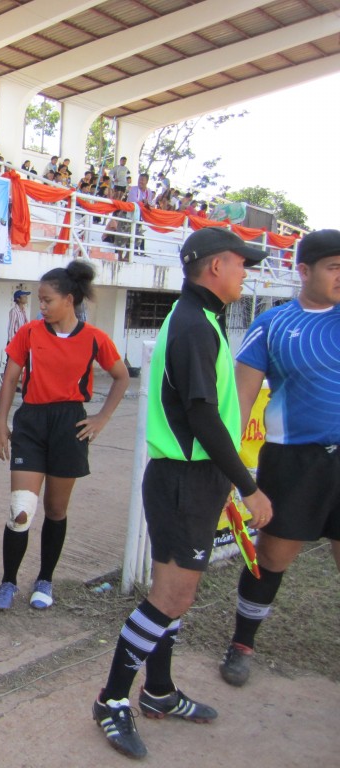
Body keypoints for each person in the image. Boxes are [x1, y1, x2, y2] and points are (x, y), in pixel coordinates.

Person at [93, 228, 273, 760]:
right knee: (171, 596)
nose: (245, 273)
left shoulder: (202, 317)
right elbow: (202, 416)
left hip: (194, 479)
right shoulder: (194, 324)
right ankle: (110, 700)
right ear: (215, 266)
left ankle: (159, 691)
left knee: (178, 594)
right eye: (241, 263)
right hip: (182, 481)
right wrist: (248, 487)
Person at [219, 229, 340, 687]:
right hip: (293, 461)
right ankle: (242, 643)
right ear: (304, 271)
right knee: (272, 557)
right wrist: (227, 467)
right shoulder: (272, 324)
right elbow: (241, 400)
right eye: (334, 267)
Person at [0, 262, 129, 611]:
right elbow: (10, 379)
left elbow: (121, 376)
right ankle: (8, 581)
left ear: (69, 300)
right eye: (39, 300)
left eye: (47, 300)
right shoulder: (29, 333)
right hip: (32, 422)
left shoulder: (95, 338)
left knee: (55, 508)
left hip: (70, 424)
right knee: (21, 509)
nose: (42, 306)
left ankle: (45, 580)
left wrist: (101, 418)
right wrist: (0, 422)